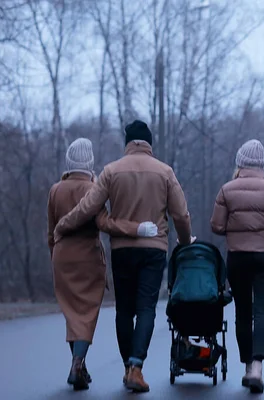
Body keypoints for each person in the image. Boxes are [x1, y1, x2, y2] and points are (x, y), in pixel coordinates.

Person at [54, 120, 194, 393]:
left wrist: (63, 224)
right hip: (153, 250)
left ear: (128, 143)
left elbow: (87, 208)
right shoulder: (165, 172)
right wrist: (186, 241)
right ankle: (136, 367)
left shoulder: (111, 171)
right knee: (145, 310)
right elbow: (181, 214)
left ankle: (127, 367)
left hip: (122, 250)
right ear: (149, 144)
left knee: (124, 311)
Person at [47, 138, 158, 391]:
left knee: (73, 314)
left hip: (62, 257)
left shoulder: (55, 190)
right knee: (86, 314)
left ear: (69, 162)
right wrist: (137, 229)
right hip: (87, 256)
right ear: (89, 163)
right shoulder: (92, 189)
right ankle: (77, 364)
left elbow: (50, 231)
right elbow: (106, 223)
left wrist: (55, 256)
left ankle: (80, 366)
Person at [210, 139, 264, 394]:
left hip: (238, 258)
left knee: (243, 313)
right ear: (262, 165)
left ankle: (248, 367)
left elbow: (216, 226)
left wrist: (236, 227)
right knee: (263, 312)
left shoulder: (227, 190)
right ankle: (258, 366)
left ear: (239, 162)